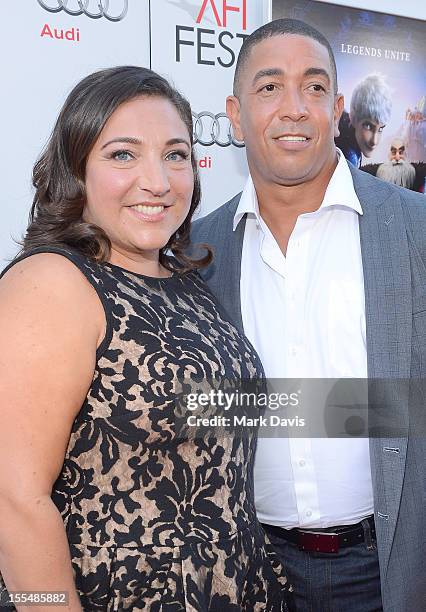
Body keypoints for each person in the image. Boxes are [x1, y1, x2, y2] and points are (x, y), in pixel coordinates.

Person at [0, 66, 291, 611]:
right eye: (123, 154)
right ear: (75, 169)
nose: (157, 181)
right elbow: (14, 501)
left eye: (176, 154)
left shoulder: (184, 282)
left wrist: (390, 410)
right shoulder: (52, 283)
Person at [191, 18, 426, 612]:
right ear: (236, 114)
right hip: (248, 567)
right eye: (270, 87)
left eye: (314, 87)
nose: (294, 108)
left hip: (393, 568)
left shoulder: (414, 228)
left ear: (338, 108)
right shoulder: (194, 252)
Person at [335, 74, 392, 167]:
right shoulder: (349, 156)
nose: (374, 141)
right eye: (368, 126)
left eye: (380, 129)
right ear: (353, 118)